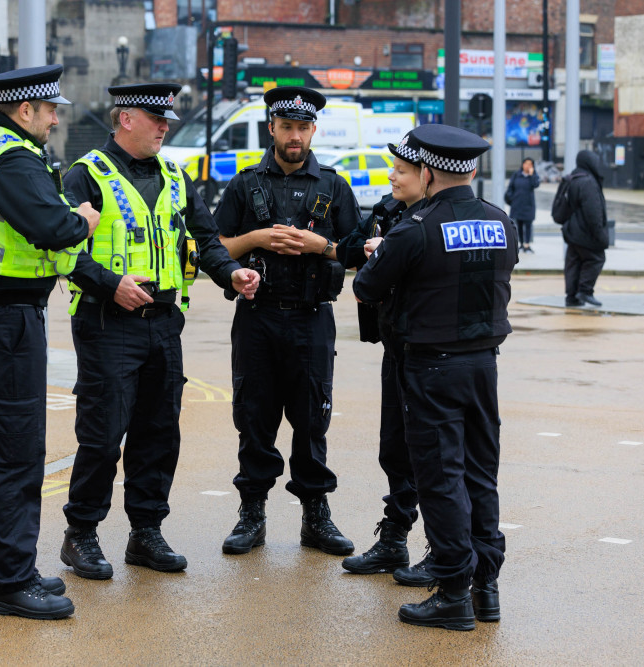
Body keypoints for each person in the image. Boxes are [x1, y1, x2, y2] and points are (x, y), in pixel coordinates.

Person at [59, 83, 260, 580]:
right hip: (108, 323)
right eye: (156, 118)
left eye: (167, 118)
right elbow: (64, 250)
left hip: (165, 325)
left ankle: (145, 533)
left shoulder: (176, 175)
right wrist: (111, 286)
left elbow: (205, 238)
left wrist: (229, 274)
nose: (166, 126)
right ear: (126, 119)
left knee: (158, 434)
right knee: (103, 436)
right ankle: (80, 534)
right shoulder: (86, 175)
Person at [0, 64, 100, 620]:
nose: (56, 118)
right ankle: (10, 581)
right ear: (25, 110)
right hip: (4, 321)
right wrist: (83, 217)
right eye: (50, 110)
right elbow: (53, 228)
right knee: (14, 452)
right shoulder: (11, 158)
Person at [353, 124, 519, 631]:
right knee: (478, 473)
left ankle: (451, 591)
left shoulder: (417, 227)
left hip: (431, 367)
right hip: (483, 365)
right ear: (470, 170)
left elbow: (365, 287)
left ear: (427, 171)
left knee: (441, 477)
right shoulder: (501, 221)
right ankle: (484, 588)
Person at [212, 86, 361, 557]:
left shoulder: (335, 187)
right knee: (254, 417)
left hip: (312, 319)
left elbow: (359, 252)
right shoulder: (243, 185)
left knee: (312, 418)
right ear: (272, 128)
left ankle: (315, 516)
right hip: (257, 320)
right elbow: (212, 248)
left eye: (303, 128)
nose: (295, 136)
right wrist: (255, 237)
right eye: (287, 127)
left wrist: (322, 247)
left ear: (313, 130)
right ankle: (251, 514)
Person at [339, 130, 432, 584]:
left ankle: (439, 548)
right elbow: (351, 246)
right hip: (395, 344)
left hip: (428, 349)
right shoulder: (389, 209)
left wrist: (391, 255)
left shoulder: (434, 218)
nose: (392, 177)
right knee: (393, 446)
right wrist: (374, 251)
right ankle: (394, 539)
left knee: (431, 453)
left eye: (401, 171)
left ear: (426, 175)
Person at [562, 150, 608, 307]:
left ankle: (571, 297)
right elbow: (593, 212)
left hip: (572, 231)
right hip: (585, 232)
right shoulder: (588, 182)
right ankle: (585, 290)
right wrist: (601, 235)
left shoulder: (573, 179)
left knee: (573, 262)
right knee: (597, 258)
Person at [505, 158, 540, 253]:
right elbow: (510, 188)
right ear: (522, 164)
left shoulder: (533, 176)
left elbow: (536, 184)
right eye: (526, 163)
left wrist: (532, 174)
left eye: (530, 164)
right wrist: (512, 198)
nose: (527, 166)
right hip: (517, 204)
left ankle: (527, 245)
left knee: (528, 225)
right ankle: (521, 244)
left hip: (528, 205)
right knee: (518, 225)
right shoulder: (516, 175)